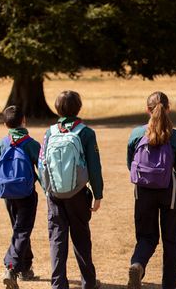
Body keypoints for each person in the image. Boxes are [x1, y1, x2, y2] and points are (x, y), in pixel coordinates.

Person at [39, 90, 103, 289]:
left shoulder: (49, 132)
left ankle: (58, 283)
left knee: (57, 238)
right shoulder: (86, 132)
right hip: (78, 194)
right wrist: (98, 194)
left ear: (57, 108)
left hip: (55, 194)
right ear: (79, 107)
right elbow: (94, 166)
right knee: (81, 236)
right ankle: (88, 282)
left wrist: (47, 189)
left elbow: (42, 164)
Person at [126, 91, 176, 289]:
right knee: (171, 239)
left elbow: (131, 165)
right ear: (168, 109)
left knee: (146, 236)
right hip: (168, 190)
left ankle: (137, 264)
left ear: (147, 109)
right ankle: (169, 284)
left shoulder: (136, 133)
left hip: (143, 190)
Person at [0, 105, 41, 289]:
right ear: (24, 120)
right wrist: (51, 192)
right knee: (22, 231)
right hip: (26, 194)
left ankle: (26, 268)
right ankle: (11, 267)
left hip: (7, 194)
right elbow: (42, 172)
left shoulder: (0, 144)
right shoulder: (31, 144)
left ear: (5, 124)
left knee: (20, 230)